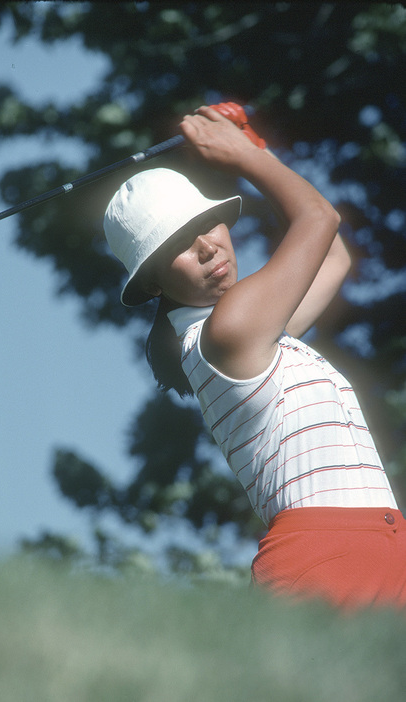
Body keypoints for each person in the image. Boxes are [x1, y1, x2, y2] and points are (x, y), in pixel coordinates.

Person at [103, 105, 406, 610]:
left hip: (375, 549)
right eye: (178, 242)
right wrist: (244, 158)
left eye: (207, 223)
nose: (207, 247)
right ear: (153, 280)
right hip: (325, 558)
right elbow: (320, 218)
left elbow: (335, 254)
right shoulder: (228, 331)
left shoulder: (251, 332)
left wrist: (255, 147)